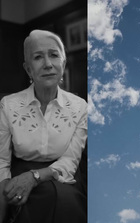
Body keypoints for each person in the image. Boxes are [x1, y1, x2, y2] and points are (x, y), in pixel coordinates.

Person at [0, 30, 87, 222]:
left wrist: (34, 177)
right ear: (28, 69)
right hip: (19, 170)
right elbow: (2, 161)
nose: (48, 64)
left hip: (64, 175)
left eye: (54, 55)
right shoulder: (8, 105)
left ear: (63, 64)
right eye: (38, 57)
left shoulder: (81, 107)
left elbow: (70, 161)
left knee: (63, 200)